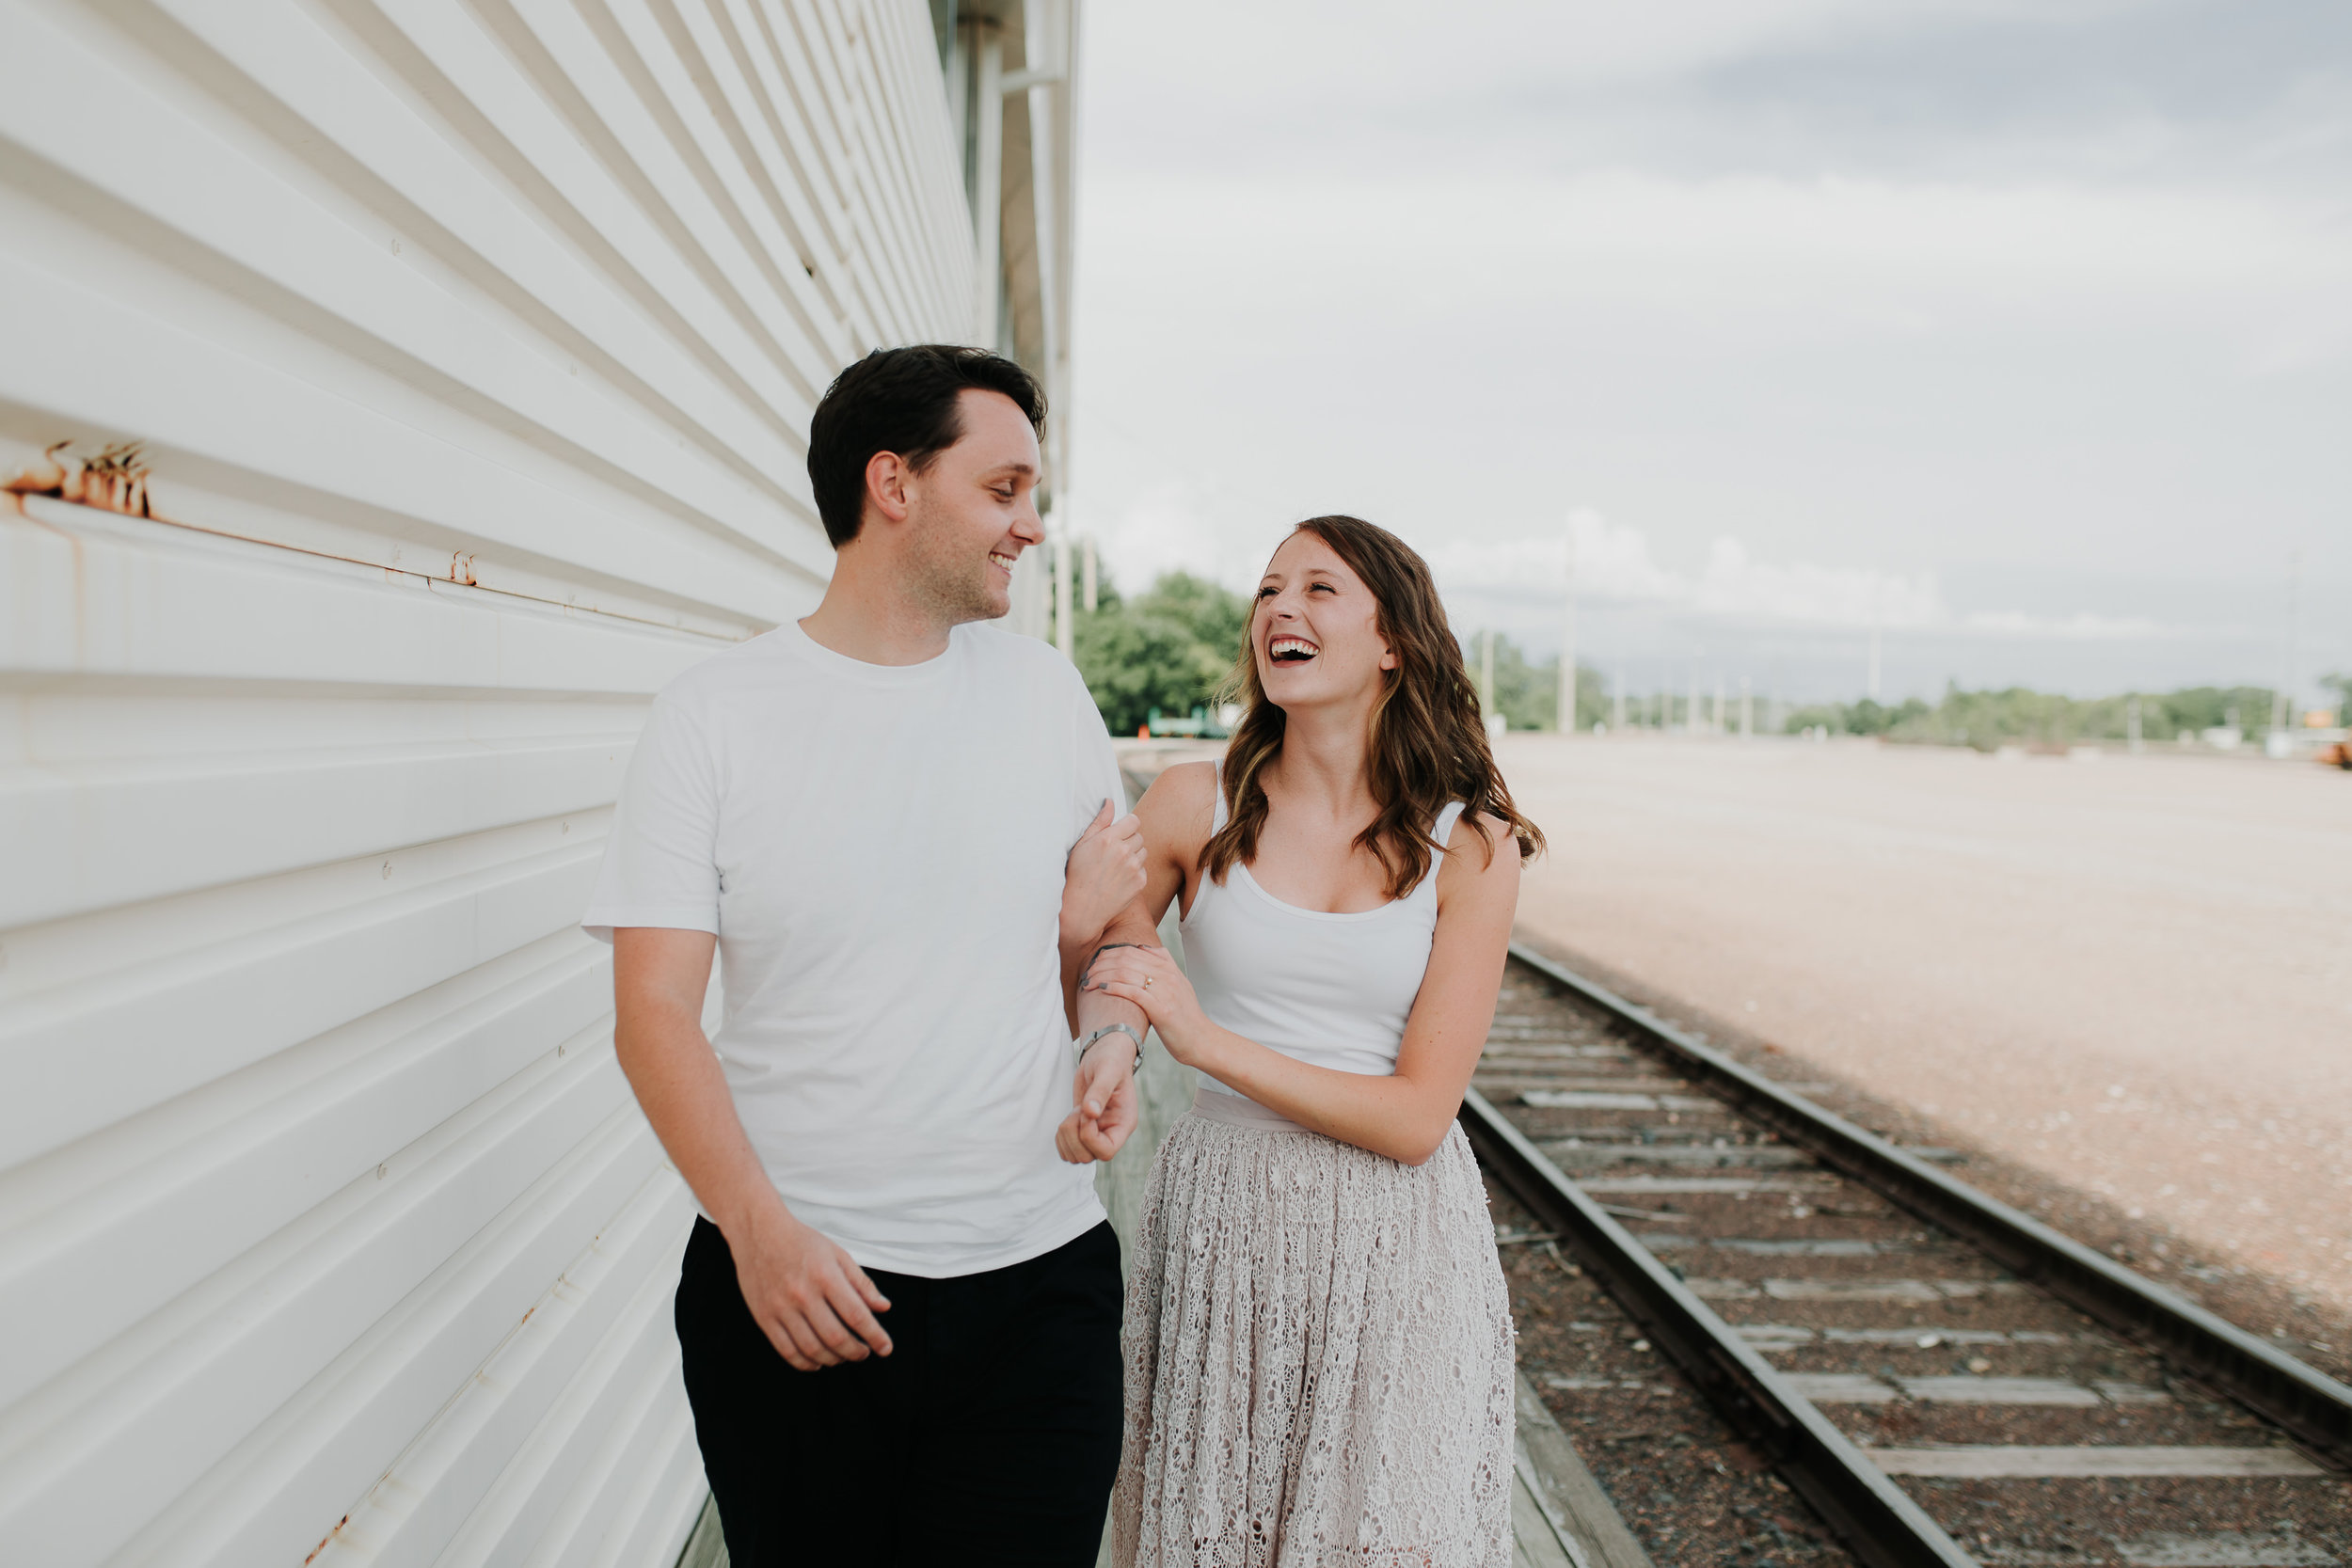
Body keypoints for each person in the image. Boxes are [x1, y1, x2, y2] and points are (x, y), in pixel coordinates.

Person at [581, 344, 1153, 1565]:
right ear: (894, 483)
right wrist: (758, 1231)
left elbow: (1120, 931)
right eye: (1005, 490)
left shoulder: (1048, 696)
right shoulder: (713, 714)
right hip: (801, 1290)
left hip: (1038, 1282)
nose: (1032, 526)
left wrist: (1110, 1031)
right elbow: (655, 1012)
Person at [1082, 515, 1541, 1568]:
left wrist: (1202, 1040)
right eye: (1268, 589)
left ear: (1393, 640)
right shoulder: (1196, 800)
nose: (1280, 608)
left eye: (1320, 589)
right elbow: (1114, 954)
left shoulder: (1469, 842)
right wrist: (1108, 1043)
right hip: (1223, 1221)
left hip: (1398, 1242)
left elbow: (1418, 1117)